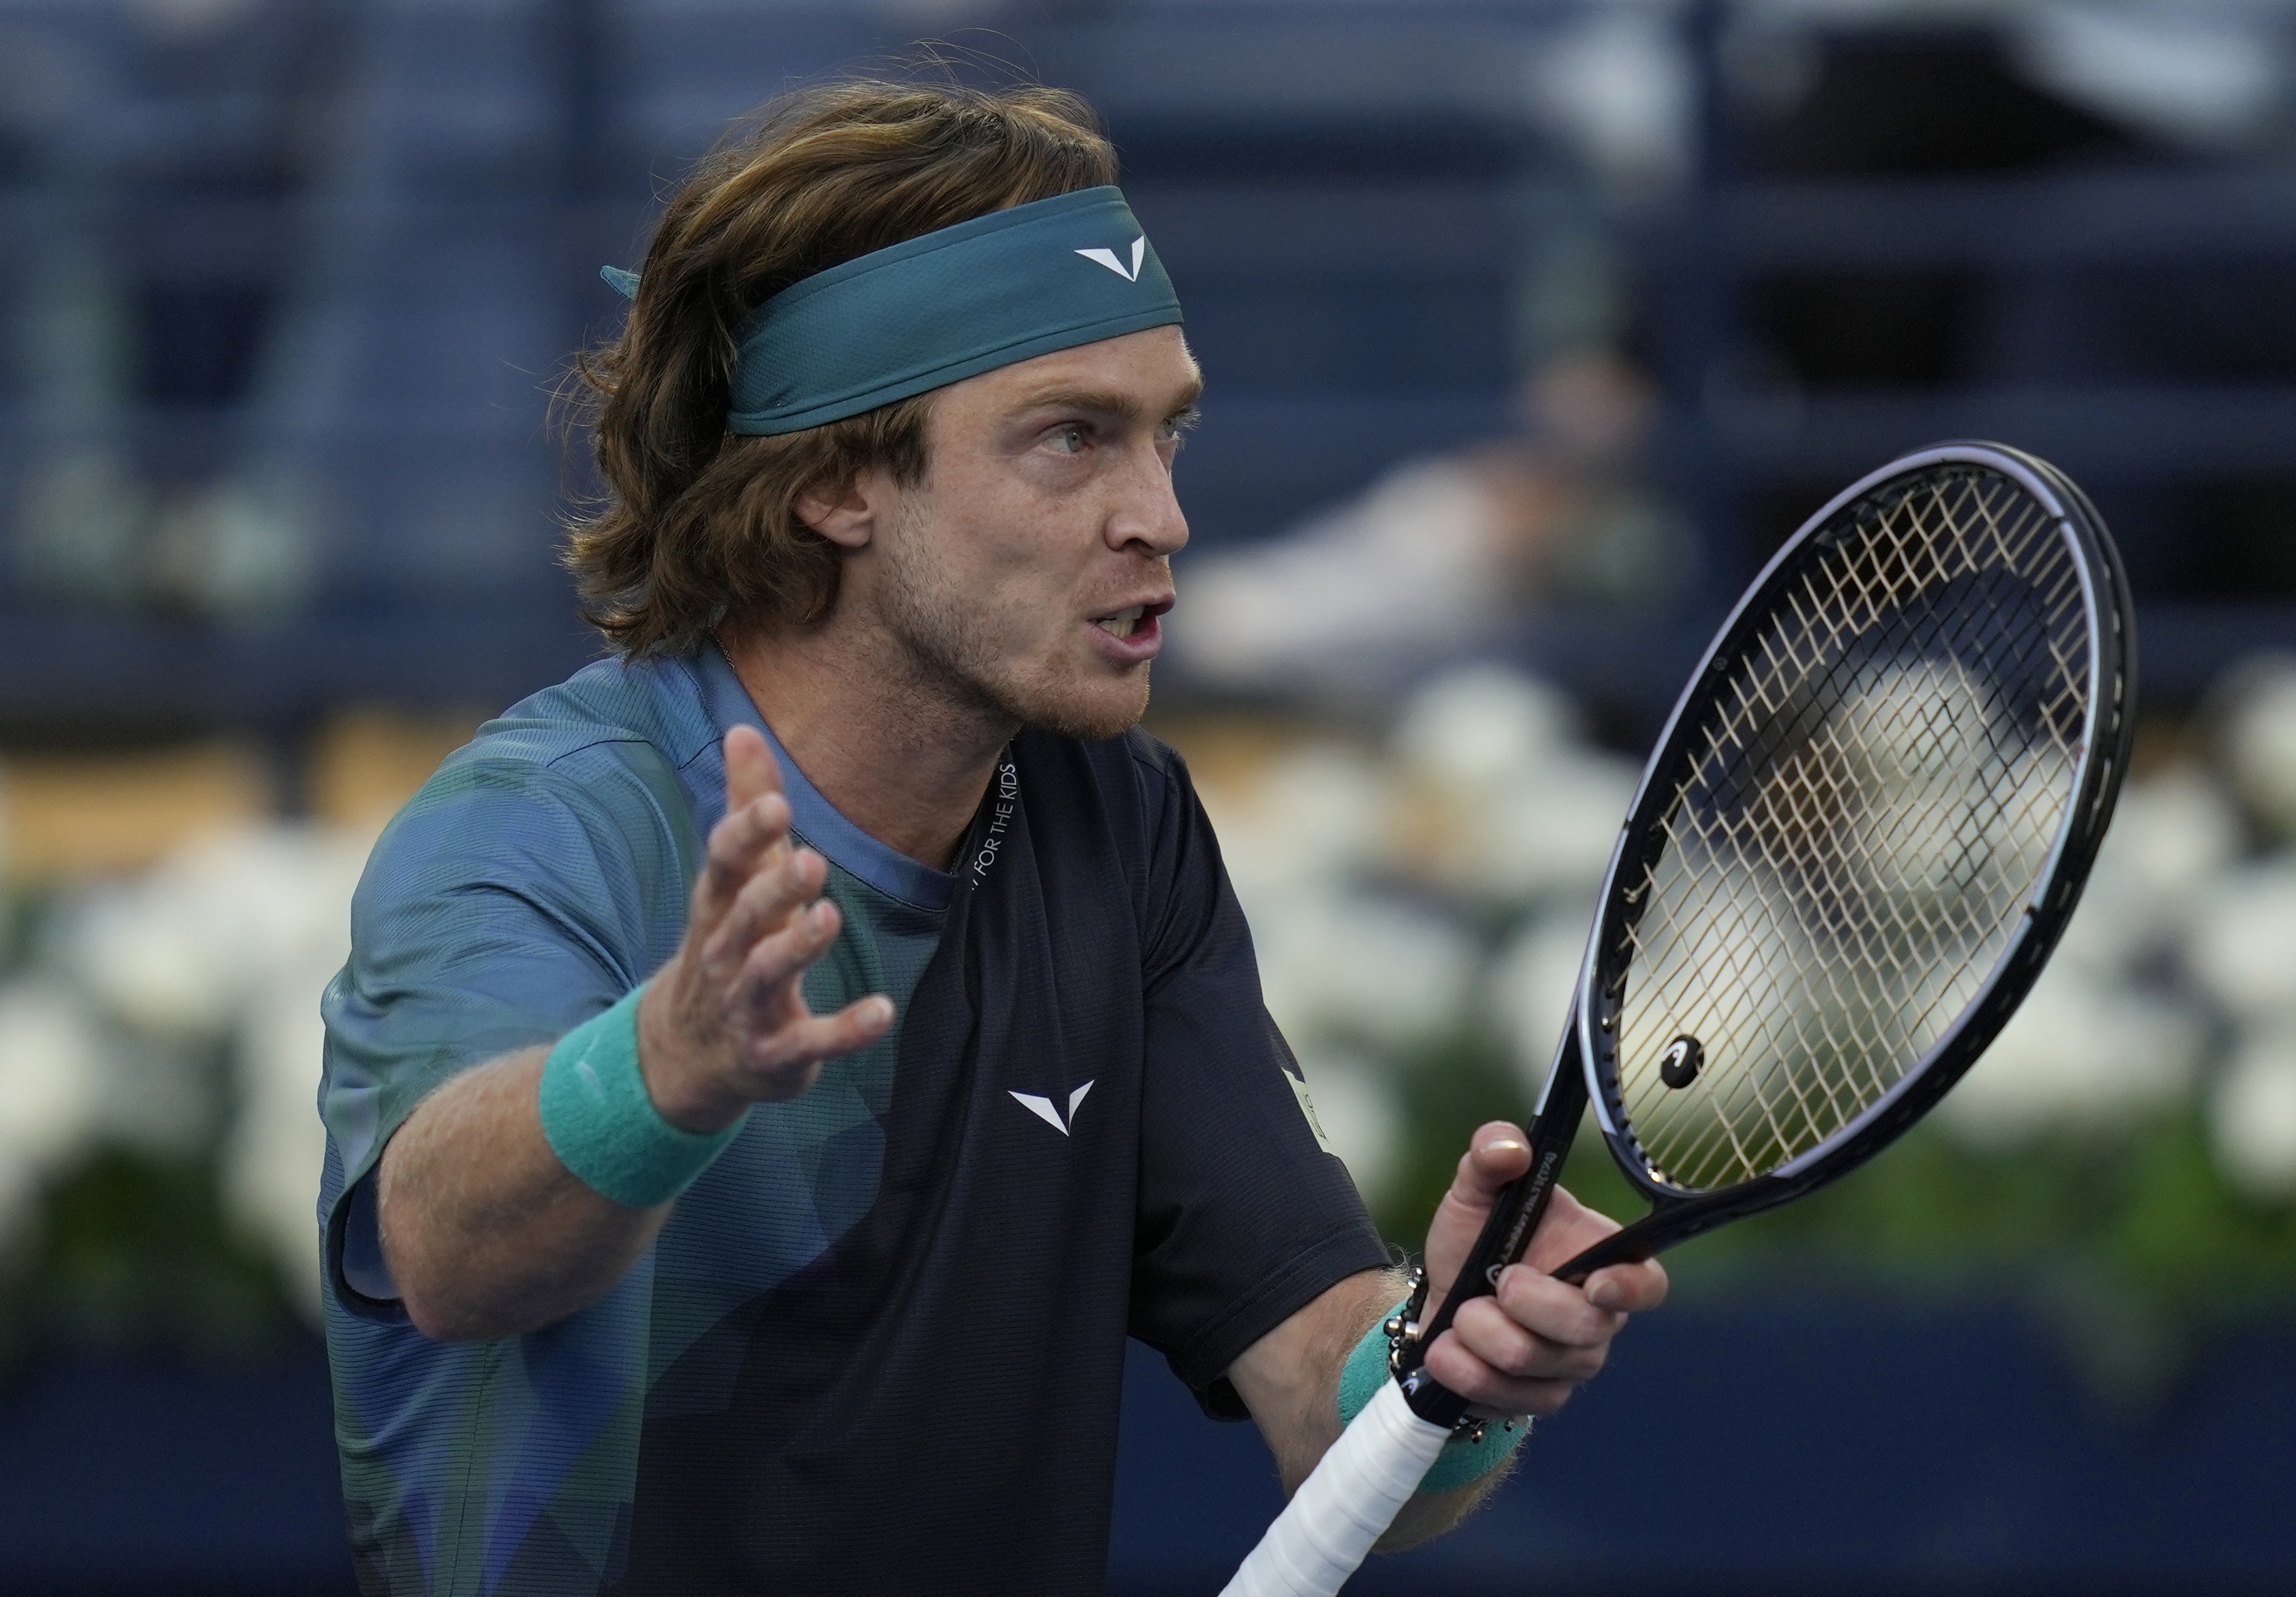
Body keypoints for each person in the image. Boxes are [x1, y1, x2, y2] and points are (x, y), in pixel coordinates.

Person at [315, 78, 1667, 1597]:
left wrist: (1450, 1365)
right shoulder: (542, 822)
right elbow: (443, 1254)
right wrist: (667, 1068)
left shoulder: (1120, 820)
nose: (1158, 512)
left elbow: (1322, 1391)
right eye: (1069, 439)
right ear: (833, 479)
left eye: (1168, 433)